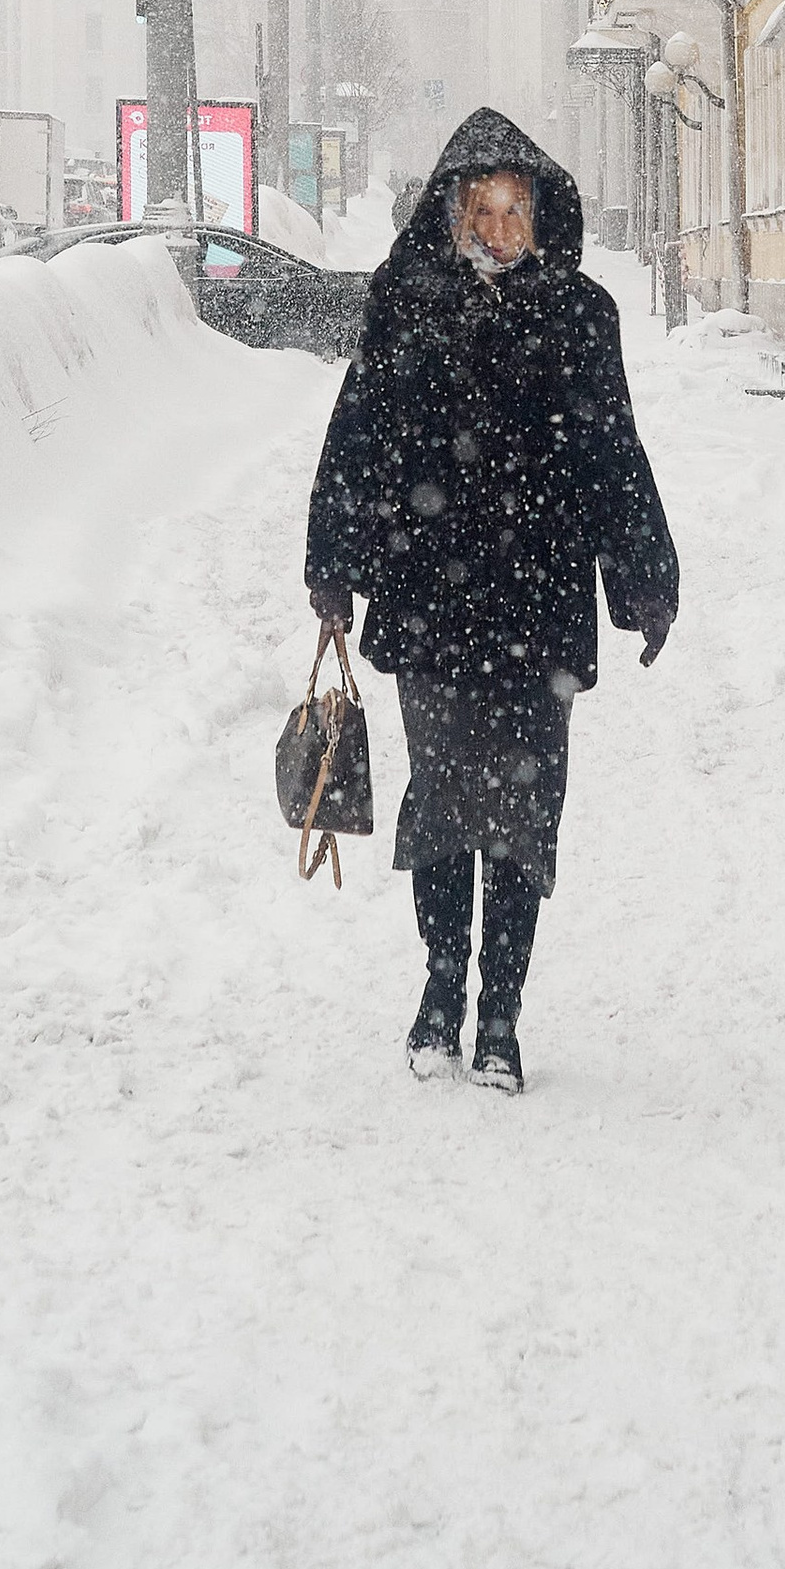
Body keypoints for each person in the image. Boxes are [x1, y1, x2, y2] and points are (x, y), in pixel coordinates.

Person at [303, 106, 678, 1095]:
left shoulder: (581, 314)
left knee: (523, 811)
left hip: (539, 601)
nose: (499, 230)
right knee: (443, 798)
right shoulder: (404, 301)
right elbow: (358, 436)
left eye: (516, 211)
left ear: (540, 217)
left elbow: (611, 454)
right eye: (482, 209)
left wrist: (643, 580)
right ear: (452, 213)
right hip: (429, 597)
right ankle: (440, 991)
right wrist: (334, 565)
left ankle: (501, 1014)